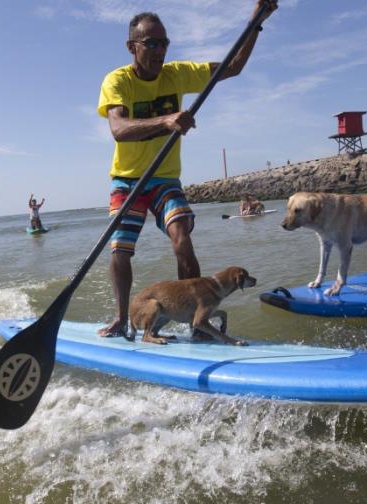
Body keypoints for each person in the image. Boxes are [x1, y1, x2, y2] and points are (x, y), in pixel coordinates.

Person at [96, 2, 278, 338]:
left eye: (164, 43)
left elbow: (233, 66)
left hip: (164, 178)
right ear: (132, 47)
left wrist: (256, 23)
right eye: (151, 43)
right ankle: (122, 319)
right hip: (128, 179)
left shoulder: (177, 74)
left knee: (182, 237)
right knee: (121, 249)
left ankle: (197, 321)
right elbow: (119, 128)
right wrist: (165, 120)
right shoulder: (117, 81)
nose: (159, 50)